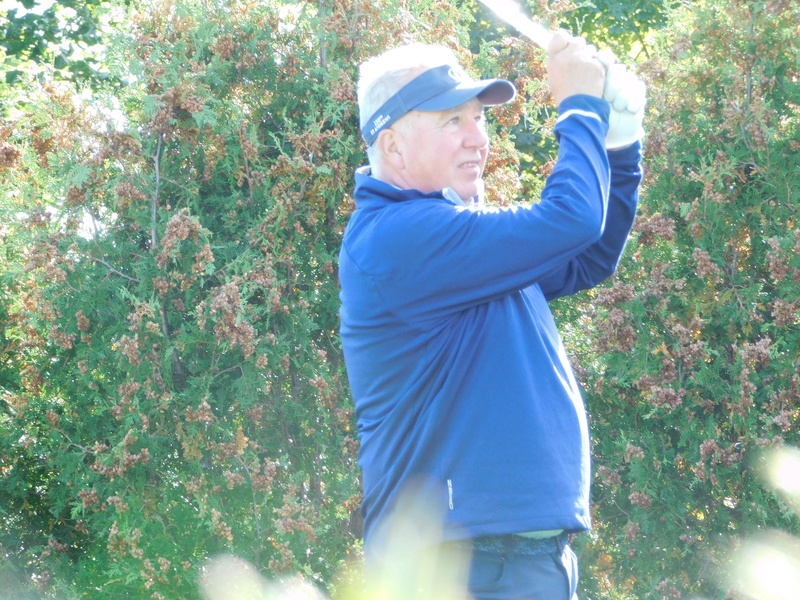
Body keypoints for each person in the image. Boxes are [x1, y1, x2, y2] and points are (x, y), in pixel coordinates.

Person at [338, 32, 645, 600]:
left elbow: (588, 255)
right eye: (452, 121)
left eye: (479, 118)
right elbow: (572, 219)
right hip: (456, 570)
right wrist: (581, 108)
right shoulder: (398, 238)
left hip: (523, 565)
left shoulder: (456, 244)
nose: (478, 138)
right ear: (393, 146)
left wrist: (620, 144)